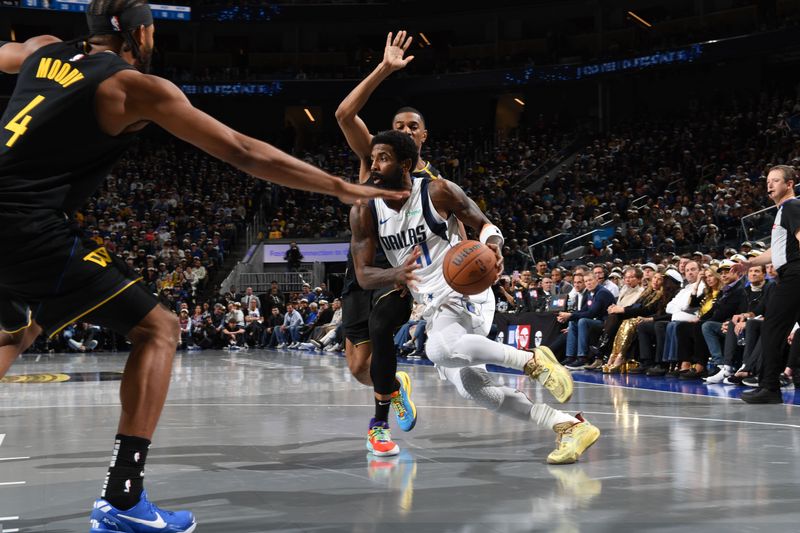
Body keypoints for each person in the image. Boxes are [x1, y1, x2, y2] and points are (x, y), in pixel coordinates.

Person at [0, 2, 405, 531]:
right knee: (159, 327)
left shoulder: (41, 50)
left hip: (14, 223)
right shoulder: (131, 86)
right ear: (140, 32)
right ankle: (123, 500)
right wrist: (343, 186)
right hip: (25, 226)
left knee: (16, 332)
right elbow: (241, 149)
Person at [350, 130, 599, 465]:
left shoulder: (437, 191)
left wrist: (494, 247)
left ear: (405, 165)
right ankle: (568, 425)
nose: (374, 166)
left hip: (465, 290)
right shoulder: (365, 211)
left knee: (438, 347)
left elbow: (485, 225)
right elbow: (364, 275)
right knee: (474, 387)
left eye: (383, 158)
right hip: (431, 308)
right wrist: (395, 274)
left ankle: (532, 362)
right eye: (371, 159)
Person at [337, 31, 454, 456]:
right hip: (363, 267)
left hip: (403, 272)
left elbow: (453, 237)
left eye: (412, 126)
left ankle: (378, 424)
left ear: (424, 135)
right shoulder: (374, 158)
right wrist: (384, 69)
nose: (404, 130)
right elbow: (345, 114)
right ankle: (393, 384)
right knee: (359, 367)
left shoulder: (437, 186)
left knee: (383, 332)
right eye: (398, 125)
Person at [733, 165, 800, 403]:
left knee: (772, 328)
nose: (769, 185)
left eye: (775, 181)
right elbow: (777, 250)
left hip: (794, 275)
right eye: (768, 181)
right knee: (775, 328)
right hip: (790, 272)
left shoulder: (792, 206)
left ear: (789, 184)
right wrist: (748, 264)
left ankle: (770, 388)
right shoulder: (783, 211)